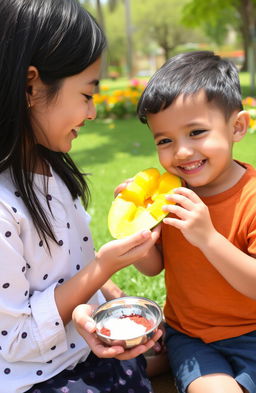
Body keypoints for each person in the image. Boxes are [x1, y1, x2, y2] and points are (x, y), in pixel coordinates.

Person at [0, 1, 162, 392]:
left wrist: (110, 293)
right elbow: (15, 339)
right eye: (87, 95)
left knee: (181, 343)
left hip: (79, 351)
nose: (91, 114)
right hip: (34, 377)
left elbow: (71, 265)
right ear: (31, 86)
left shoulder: (50, 167)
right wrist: (102, 269)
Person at [122, 50, 256, 393]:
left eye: (196, 132)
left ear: (237, 126)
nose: (180, 152)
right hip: (193, 338)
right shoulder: (169, 196)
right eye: (164, 141)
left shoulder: (251, 197)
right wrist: (140, 234)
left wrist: (207, 238)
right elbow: (155, 268)